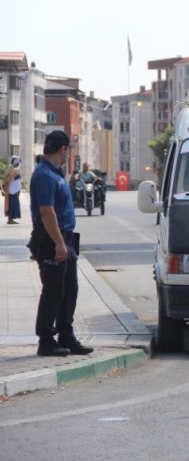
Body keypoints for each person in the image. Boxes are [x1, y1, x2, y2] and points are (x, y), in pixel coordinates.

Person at [28, 131, 94, 357]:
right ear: (63, 149)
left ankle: (66, 335)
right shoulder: (44, 175)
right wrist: (58, 243)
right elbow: (47, 213)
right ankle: (46, 340)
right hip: (51, 240)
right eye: (68, 150)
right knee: (54, 291)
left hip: (65, 238)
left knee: (69, 290)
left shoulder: (55, 173)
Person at [3, 155, 23, 224]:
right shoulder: (13, 170)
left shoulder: (12, 169)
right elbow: (8, 180)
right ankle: (10, 219)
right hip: (12, 191)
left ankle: (11, 219)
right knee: (13, 205)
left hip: (13, 190)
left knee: (13, 204)